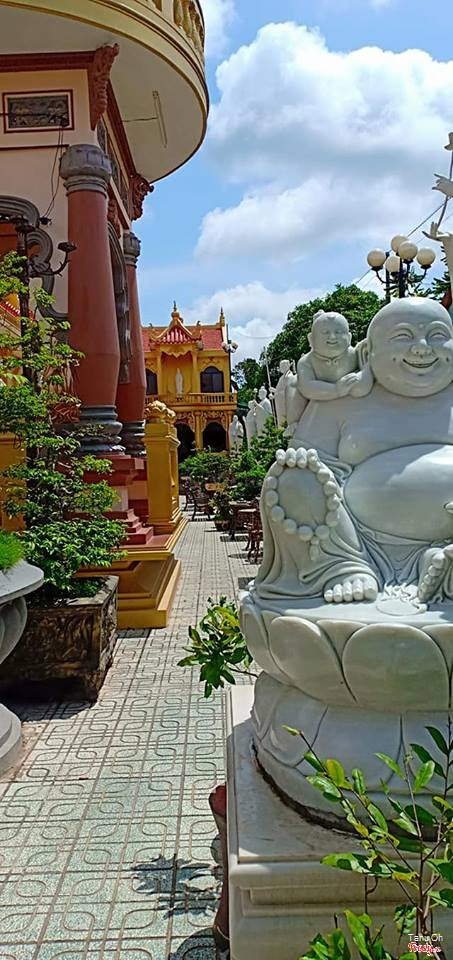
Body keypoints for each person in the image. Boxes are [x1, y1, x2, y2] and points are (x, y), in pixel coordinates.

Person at [257, 297, 453, 604]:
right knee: (291, 476)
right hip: (351, 541)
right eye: (404, 336)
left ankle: (438, 559)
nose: (422, 348)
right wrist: (301, 466)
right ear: (366, 352)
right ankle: (344, 569)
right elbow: (304, 465)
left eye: (438, 335)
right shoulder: (339, 399)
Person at [296, 310, 372, 403]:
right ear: (311, 339)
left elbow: (366, 377)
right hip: (321, 407)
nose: (332, 337)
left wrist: (358, 378)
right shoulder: (306, 362)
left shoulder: (356, 354)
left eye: (338, 332)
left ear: (349, 338)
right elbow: (306, 387)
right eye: (325, 332)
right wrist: (336, 389)